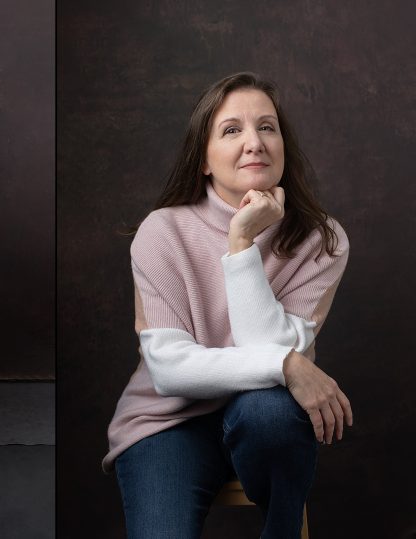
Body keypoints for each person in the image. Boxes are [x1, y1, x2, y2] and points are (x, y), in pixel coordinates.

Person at [104, 72, 352, 538]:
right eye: (232, 130)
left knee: (270, 409)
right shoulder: (163, 231)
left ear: (283, 146)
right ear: (203, 158)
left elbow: (263, 341)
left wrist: (240, 246)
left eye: (267, 127)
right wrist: (288, 363)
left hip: (262, 419)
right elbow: (171, 370)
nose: (254, 142)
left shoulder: (324, 240)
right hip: (166, 422)